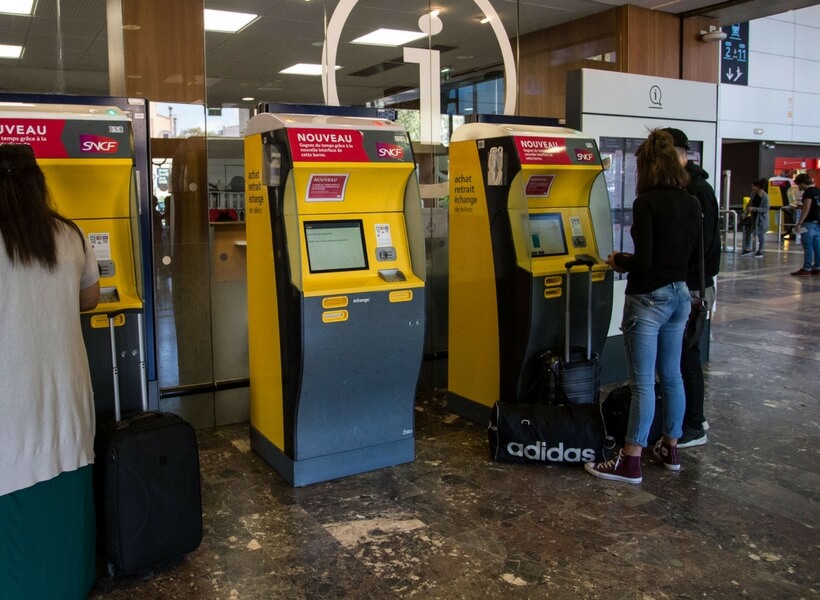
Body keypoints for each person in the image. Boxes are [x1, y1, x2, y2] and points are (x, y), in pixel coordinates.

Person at [0, 144, 100, 598]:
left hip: (11, 415)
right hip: (66, 405)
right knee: (65, 526)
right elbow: (90, 299)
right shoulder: (70, 235)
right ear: (38, 184)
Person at [585, 129, 701, 484]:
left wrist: (620, 259)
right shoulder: (690, 201)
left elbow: (646, 262)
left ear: (647, 168)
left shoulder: (646, 203)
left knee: (642, 384)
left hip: (649, 299)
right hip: (680, 296)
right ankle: (670, 446)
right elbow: (690, 256)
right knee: (672, 376)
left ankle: (631, 459)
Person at [662, 128, 721, 448]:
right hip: (688, 283)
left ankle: (694, 425)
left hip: (693, 286)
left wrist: (692, 284)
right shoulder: (687, 186)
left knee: (686, 354)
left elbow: (705, 243)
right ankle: (693, 414)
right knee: (683, 353)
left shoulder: (697, 189)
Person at [790, 173, 820, 276]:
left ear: (802, 183)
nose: (798, 187)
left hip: (808, 223)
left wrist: (800, 223)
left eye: (798, 184)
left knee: (808, 246)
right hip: (818, 223)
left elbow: (807, 207)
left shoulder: (808, 192)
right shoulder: (818, 190)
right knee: (817, 246)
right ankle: (817, 267)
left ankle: (806, 268)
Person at [741, 178, 770, 257]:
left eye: (753, 186)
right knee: (749, 231)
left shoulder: (765, 197)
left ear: (757, 186)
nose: (752, 187)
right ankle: (748, 248)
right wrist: (746, 212)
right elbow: (750, 203)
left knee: (760, 234)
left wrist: (754, 209)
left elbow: (766, 209)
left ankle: (760, 250)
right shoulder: (753, 193)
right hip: (754, 217)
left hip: (761, 218)